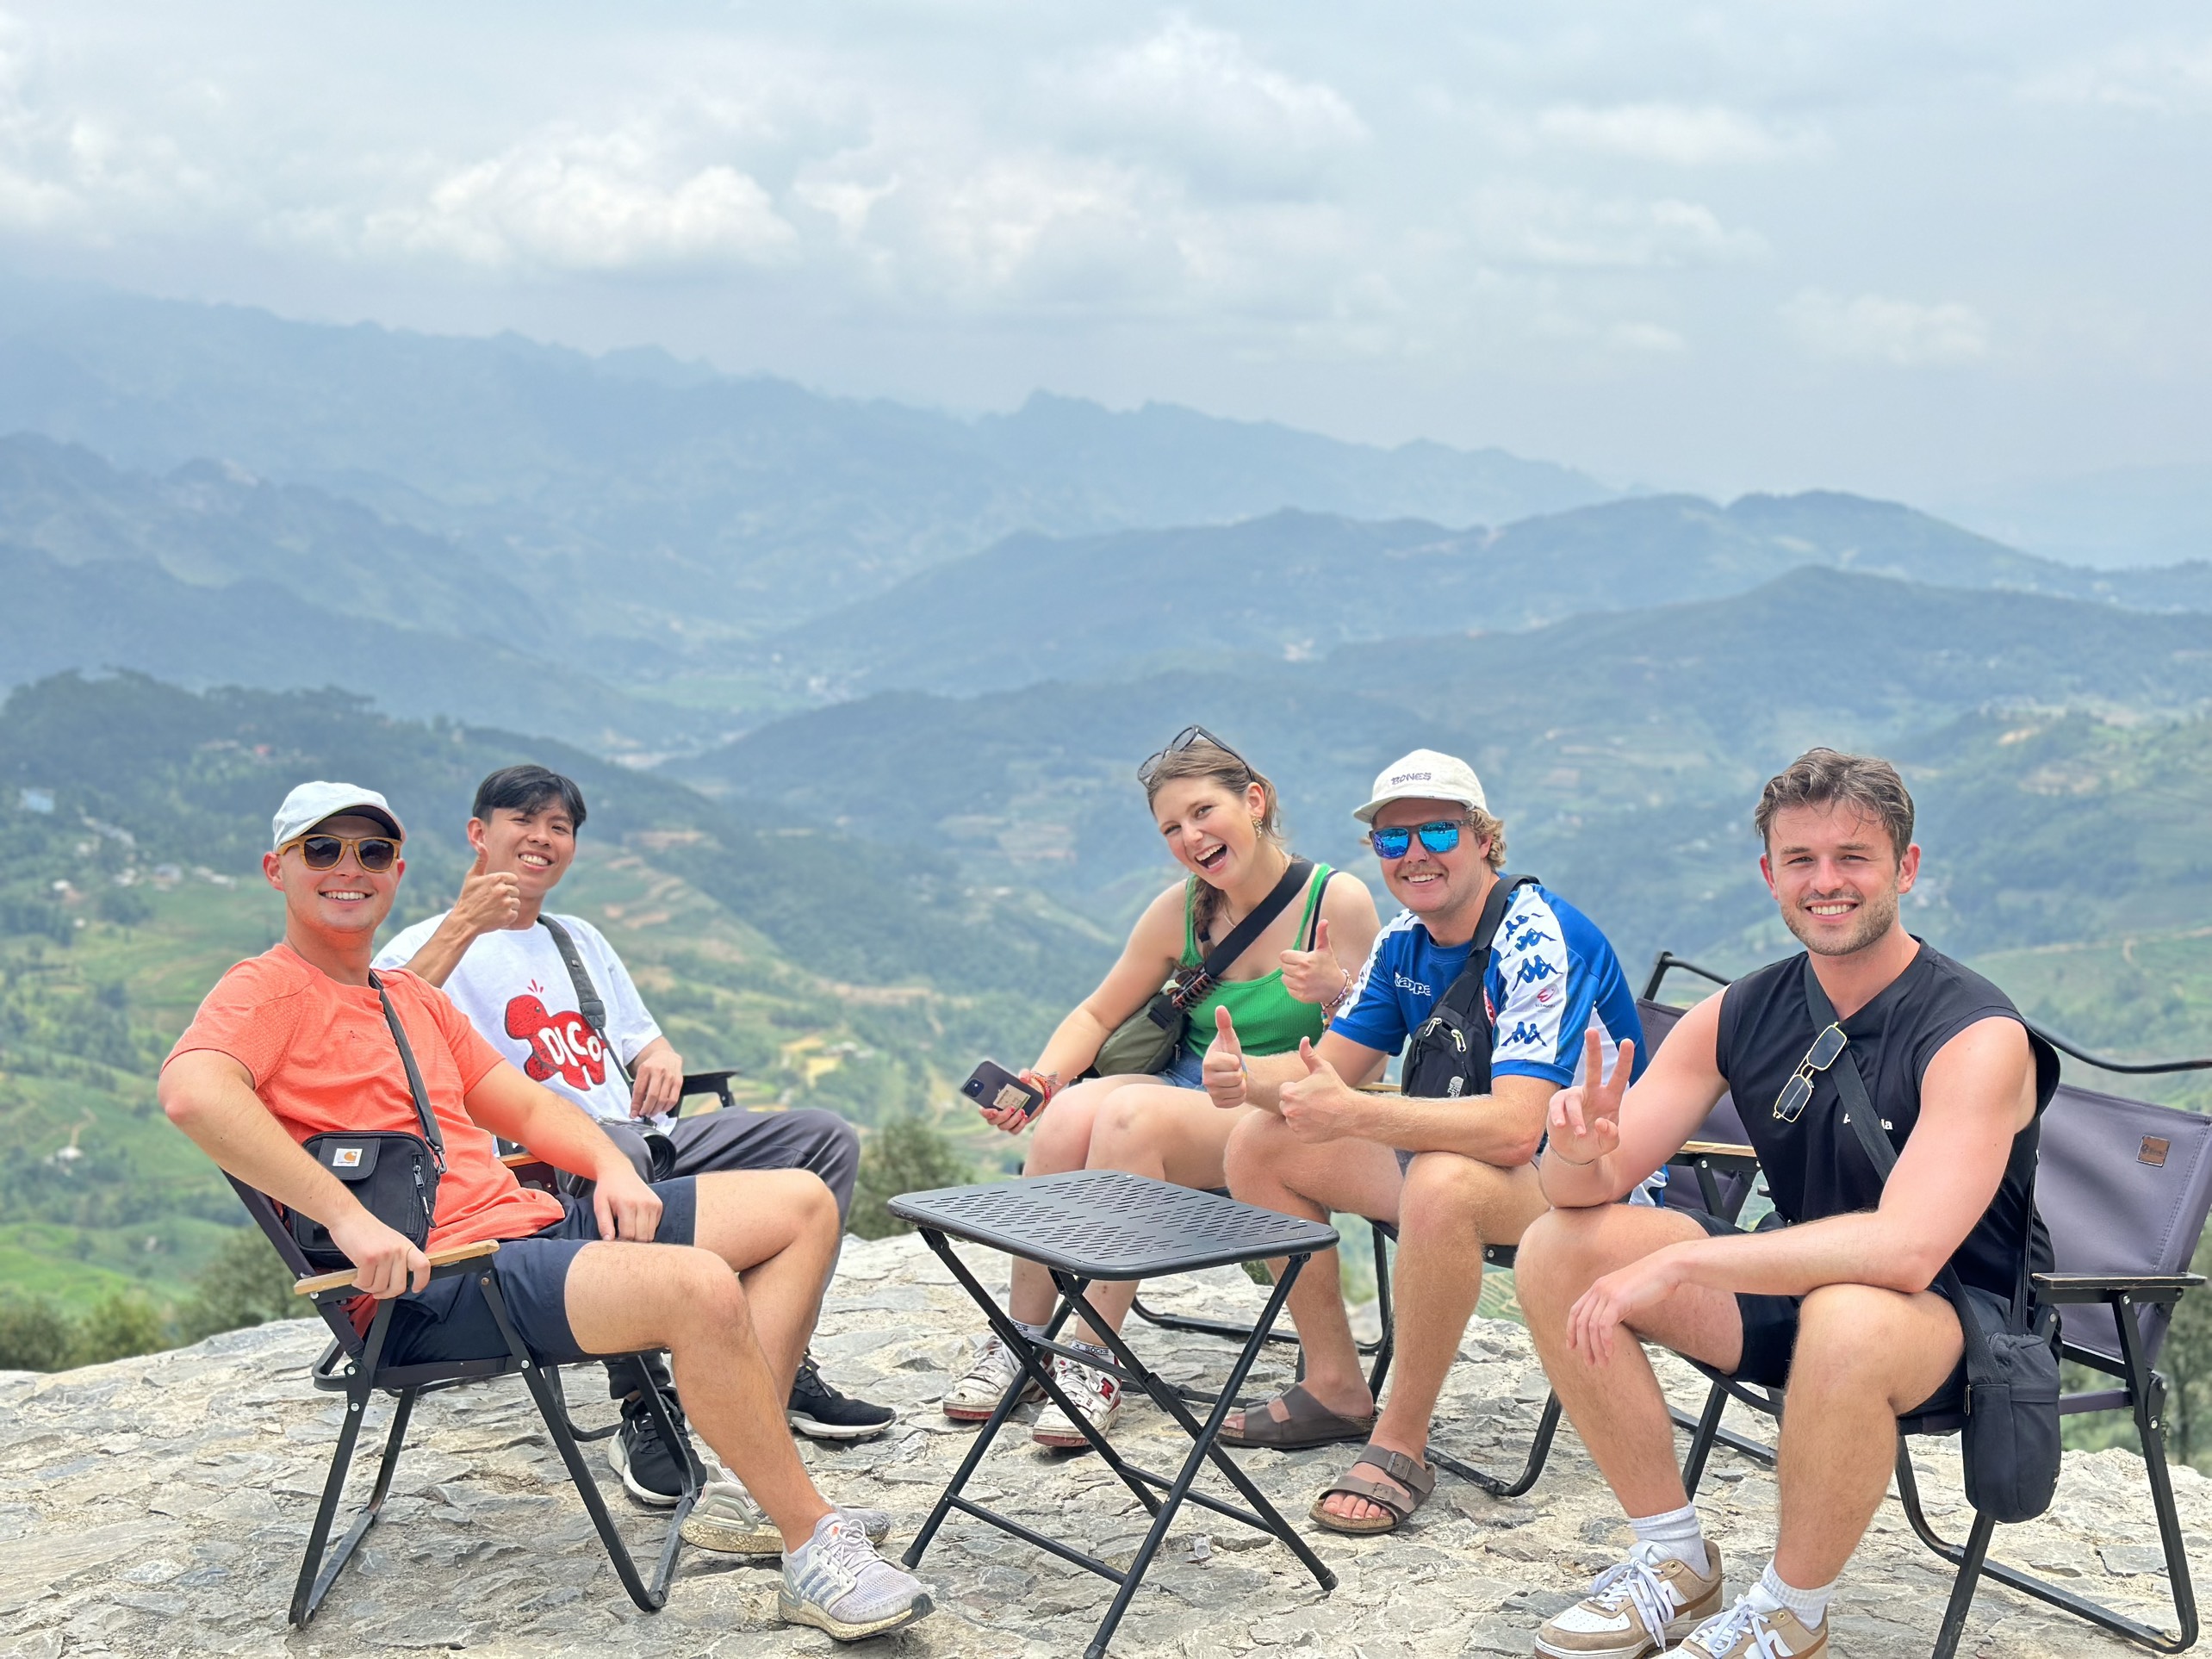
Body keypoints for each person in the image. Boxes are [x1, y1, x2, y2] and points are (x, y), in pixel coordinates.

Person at [159, 782, 932, 1642]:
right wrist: (346, 1217)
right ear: (278, 870)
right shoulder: (264, 990)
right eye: (322, 850)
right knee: (698, 1285)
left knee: (800, 1204)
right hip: (436, 1282)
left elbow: (525, 1106)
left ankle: (753, 1482)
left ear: (397, 871)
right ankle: (810, 1544)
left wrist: (610, 1165)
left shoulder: (407, 998)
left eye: (371, 852)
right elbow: (193, 1092)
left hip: (522, 1233)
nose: (350, 868)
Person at [1517, 749, 2056, 1659]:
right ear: (1770, 875)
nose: (1825, 881)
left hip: (1954, 1326)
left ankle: (1789, 1614)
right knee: (1557, 1247)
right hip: (1801, 1292)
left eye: (1853, 857)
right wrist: (1573, 1153)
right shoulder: (1738, 1013)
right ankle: (1674, 1560)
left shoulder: (1976, 1035)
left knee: (1849, 1313)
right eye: (1800, 859)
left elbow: (1906, 1253)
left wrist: (1685, 1259)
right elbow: (1583, 1192)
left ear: (1905, 868)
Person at [373, 763, 892, 1511]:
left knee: (823, 1139)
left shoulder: (577, 938)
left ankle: (774, 1367)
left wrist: (660, 1054)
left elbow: (640, 1037)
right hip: (542, 1159)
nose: (542, 838)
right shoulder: (424, 947)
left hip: (645, 1134)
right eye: (524, 821)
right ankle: (646, 1402)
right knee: (617, 1154)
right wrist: (464, 926)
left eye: (559, 827)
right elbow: (382, 1040)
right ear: (478, 834)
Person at [1211, 749, 1647, 1538]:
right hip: (1474, 1164)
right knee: (1260, 1144)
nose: (1414, 853)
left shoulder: (1538, 938)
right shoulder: (1403, 943)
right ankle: (1335, 1384)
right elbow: (1326, 1075)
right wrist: (1243, 1076)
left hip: (1592, 1183)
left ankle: (1401, 1443)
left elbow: (1516, 1128)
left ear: (1483, 838)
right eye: (1392, 839)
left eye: (1438, 831)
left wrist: (1356, 1115)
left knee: (1441, 1183)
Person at [941, 725, 1377, 1449]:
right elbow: (1096, 1014)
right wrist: (1044, 1081)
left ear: (1255, 802)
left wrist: (1333, 993)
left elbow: (1364, 1063)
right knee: (1069, 1114)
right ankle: (1023, 1339)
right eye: (1172, 828)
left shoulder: (1338, 903)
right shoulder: (1182, 908)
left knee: (1130, 1117)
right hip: (1186, 1094)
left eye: (1203, 812)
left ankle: (1095, 1356)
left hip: (1278, 1107)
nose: (1190, 837)